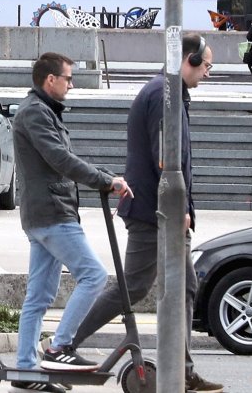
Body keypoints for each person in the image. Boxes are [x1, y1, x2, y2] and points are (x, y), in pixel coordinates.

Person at [67, 37, 224, 392]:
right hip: (153, 213)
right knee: (132, 286)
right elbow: (165, 160)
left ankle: (182, 371)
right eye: (207, 65)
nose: (209, 73)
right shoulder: (162, 96)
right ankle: (65, 342)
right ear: (190, 59)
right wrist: (179, 208)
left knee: (185, 286)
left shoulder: (171, 94)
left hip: (163, 213)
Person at [12, 51, 132, 392]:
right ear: (50, 80)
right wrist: (103, 181)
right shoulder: (35, 113)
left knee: (38, 297)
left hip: (45, 213)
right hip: (52, 213)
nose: (71, 84)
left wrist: (106, 176)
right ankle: (60, 346)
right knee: (93, 275)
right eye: (68, 78)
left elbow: (67, 159)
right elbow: (60, 159)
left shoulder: (42, 111)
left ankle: (25, 371)